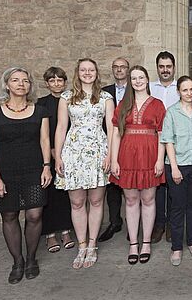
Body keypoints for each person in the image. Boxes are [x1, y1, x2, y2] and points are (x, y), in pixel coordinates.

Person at [0, 67, 52, 283]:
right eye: (15, 80)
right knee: (10, 216)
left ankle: (31, 259)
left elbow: (44, 141)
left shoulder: (40, 111)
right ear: (7, 85)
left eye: (25, 81)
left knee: (34, 215)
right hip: (5, 172)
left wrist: (47, 166)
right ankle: (18, 261)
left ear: (30, 86)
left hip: (34, 169)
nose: (21, 84)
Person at [54, 58, 115, 269]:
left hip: (98, 152)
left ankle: (92, 245)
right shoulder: (66, 97)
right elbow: (61, 127)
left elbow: (112, 128)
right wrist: (58, 157)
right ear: (77, 73)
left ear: (97, 73)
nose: (87, 73)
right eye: (83, 70)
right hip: (73, 153)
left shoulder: (106, 97)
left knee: (97, 202)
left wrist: (110, 156)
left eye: (91, 70)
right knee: (77, 203)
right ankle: (81, 245)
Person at [109, 65, 166, 265]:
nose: (137, 81)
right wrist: (114, 159)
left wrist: (160, 159)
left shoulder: (158, 104)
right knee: (131, 200)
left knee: (149, 199)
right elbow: (116, 133)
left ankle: (147, 242)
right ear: (130, 82)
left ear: (147, 79)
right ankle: (133, 243)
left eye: (141, 77)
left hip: (150, 155)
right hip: (127, 154)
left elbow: (162, 135)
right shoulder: (123, 104)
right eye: (134, 78)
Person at [160, 75, 192, 266]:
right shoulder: (171, 112)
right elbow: (168, 140)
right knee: (177, 208)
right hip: (176, 166)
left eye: (191, 89)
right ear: (178, 91)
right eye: (185, 90)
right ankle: (177, 247)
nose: (189, 93)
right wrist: (175, 168)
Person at [38, 67, 74, 253]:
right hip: (47, 155)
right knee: (49, 194)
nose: (56, 83)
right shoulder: (40, 104)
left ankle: (66, 231)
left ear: (65, 82)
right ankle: (50, 235)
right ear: (47, 83)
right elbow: (41, 131)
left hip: (70, 153)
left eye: (60, 80)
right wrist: (52, 151)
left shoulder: (72, 100)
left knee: (67, 195)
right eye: (52, 81)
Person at [98, 57, 129, 242]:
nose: (119, 70)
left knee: (132, 184)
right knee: (112, 184)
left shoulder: (136, 89)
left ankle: (135, 224)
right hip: (110, 140)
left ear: (128, 69)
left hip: (132, 141)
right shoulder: (104, 92)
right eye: (116, 67)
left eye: (122, 67)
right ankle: (115, 221)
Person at [150, 51, 179, 244]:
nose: (165, 70)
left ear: (174, 68)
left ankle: (171, 224)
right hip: (155, 142)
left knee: (174, 184)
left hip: (178, 142)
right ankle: (158, 224)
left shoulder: (182, 88)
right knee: (158, 185)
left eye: (168, 66)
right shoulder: (150, 87)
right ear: (157, 68)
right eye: (162, 66)